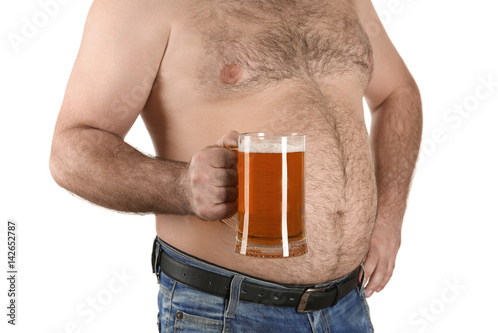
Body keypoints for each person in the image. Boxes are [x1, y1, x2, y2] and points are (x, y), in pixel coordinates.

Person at [49, 0, 422, 331]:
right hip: (224, 311)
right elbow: (71, 147)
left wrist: (388, 218)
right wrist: (180, 186)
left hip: (346, 307)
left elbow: (396, 93)